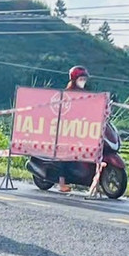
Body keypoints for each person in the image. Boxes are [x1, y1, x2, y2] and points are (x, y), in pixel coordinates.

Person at [57, 65, 89, 193]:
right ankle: (62, 183)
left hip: (81, 128)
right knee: (65, 156)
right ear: (74, 79)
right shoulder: (68, 93)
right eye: (81, 79)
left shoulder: (84, 93)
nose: (83, 81)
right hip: (67, 129)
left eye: (84, 79)